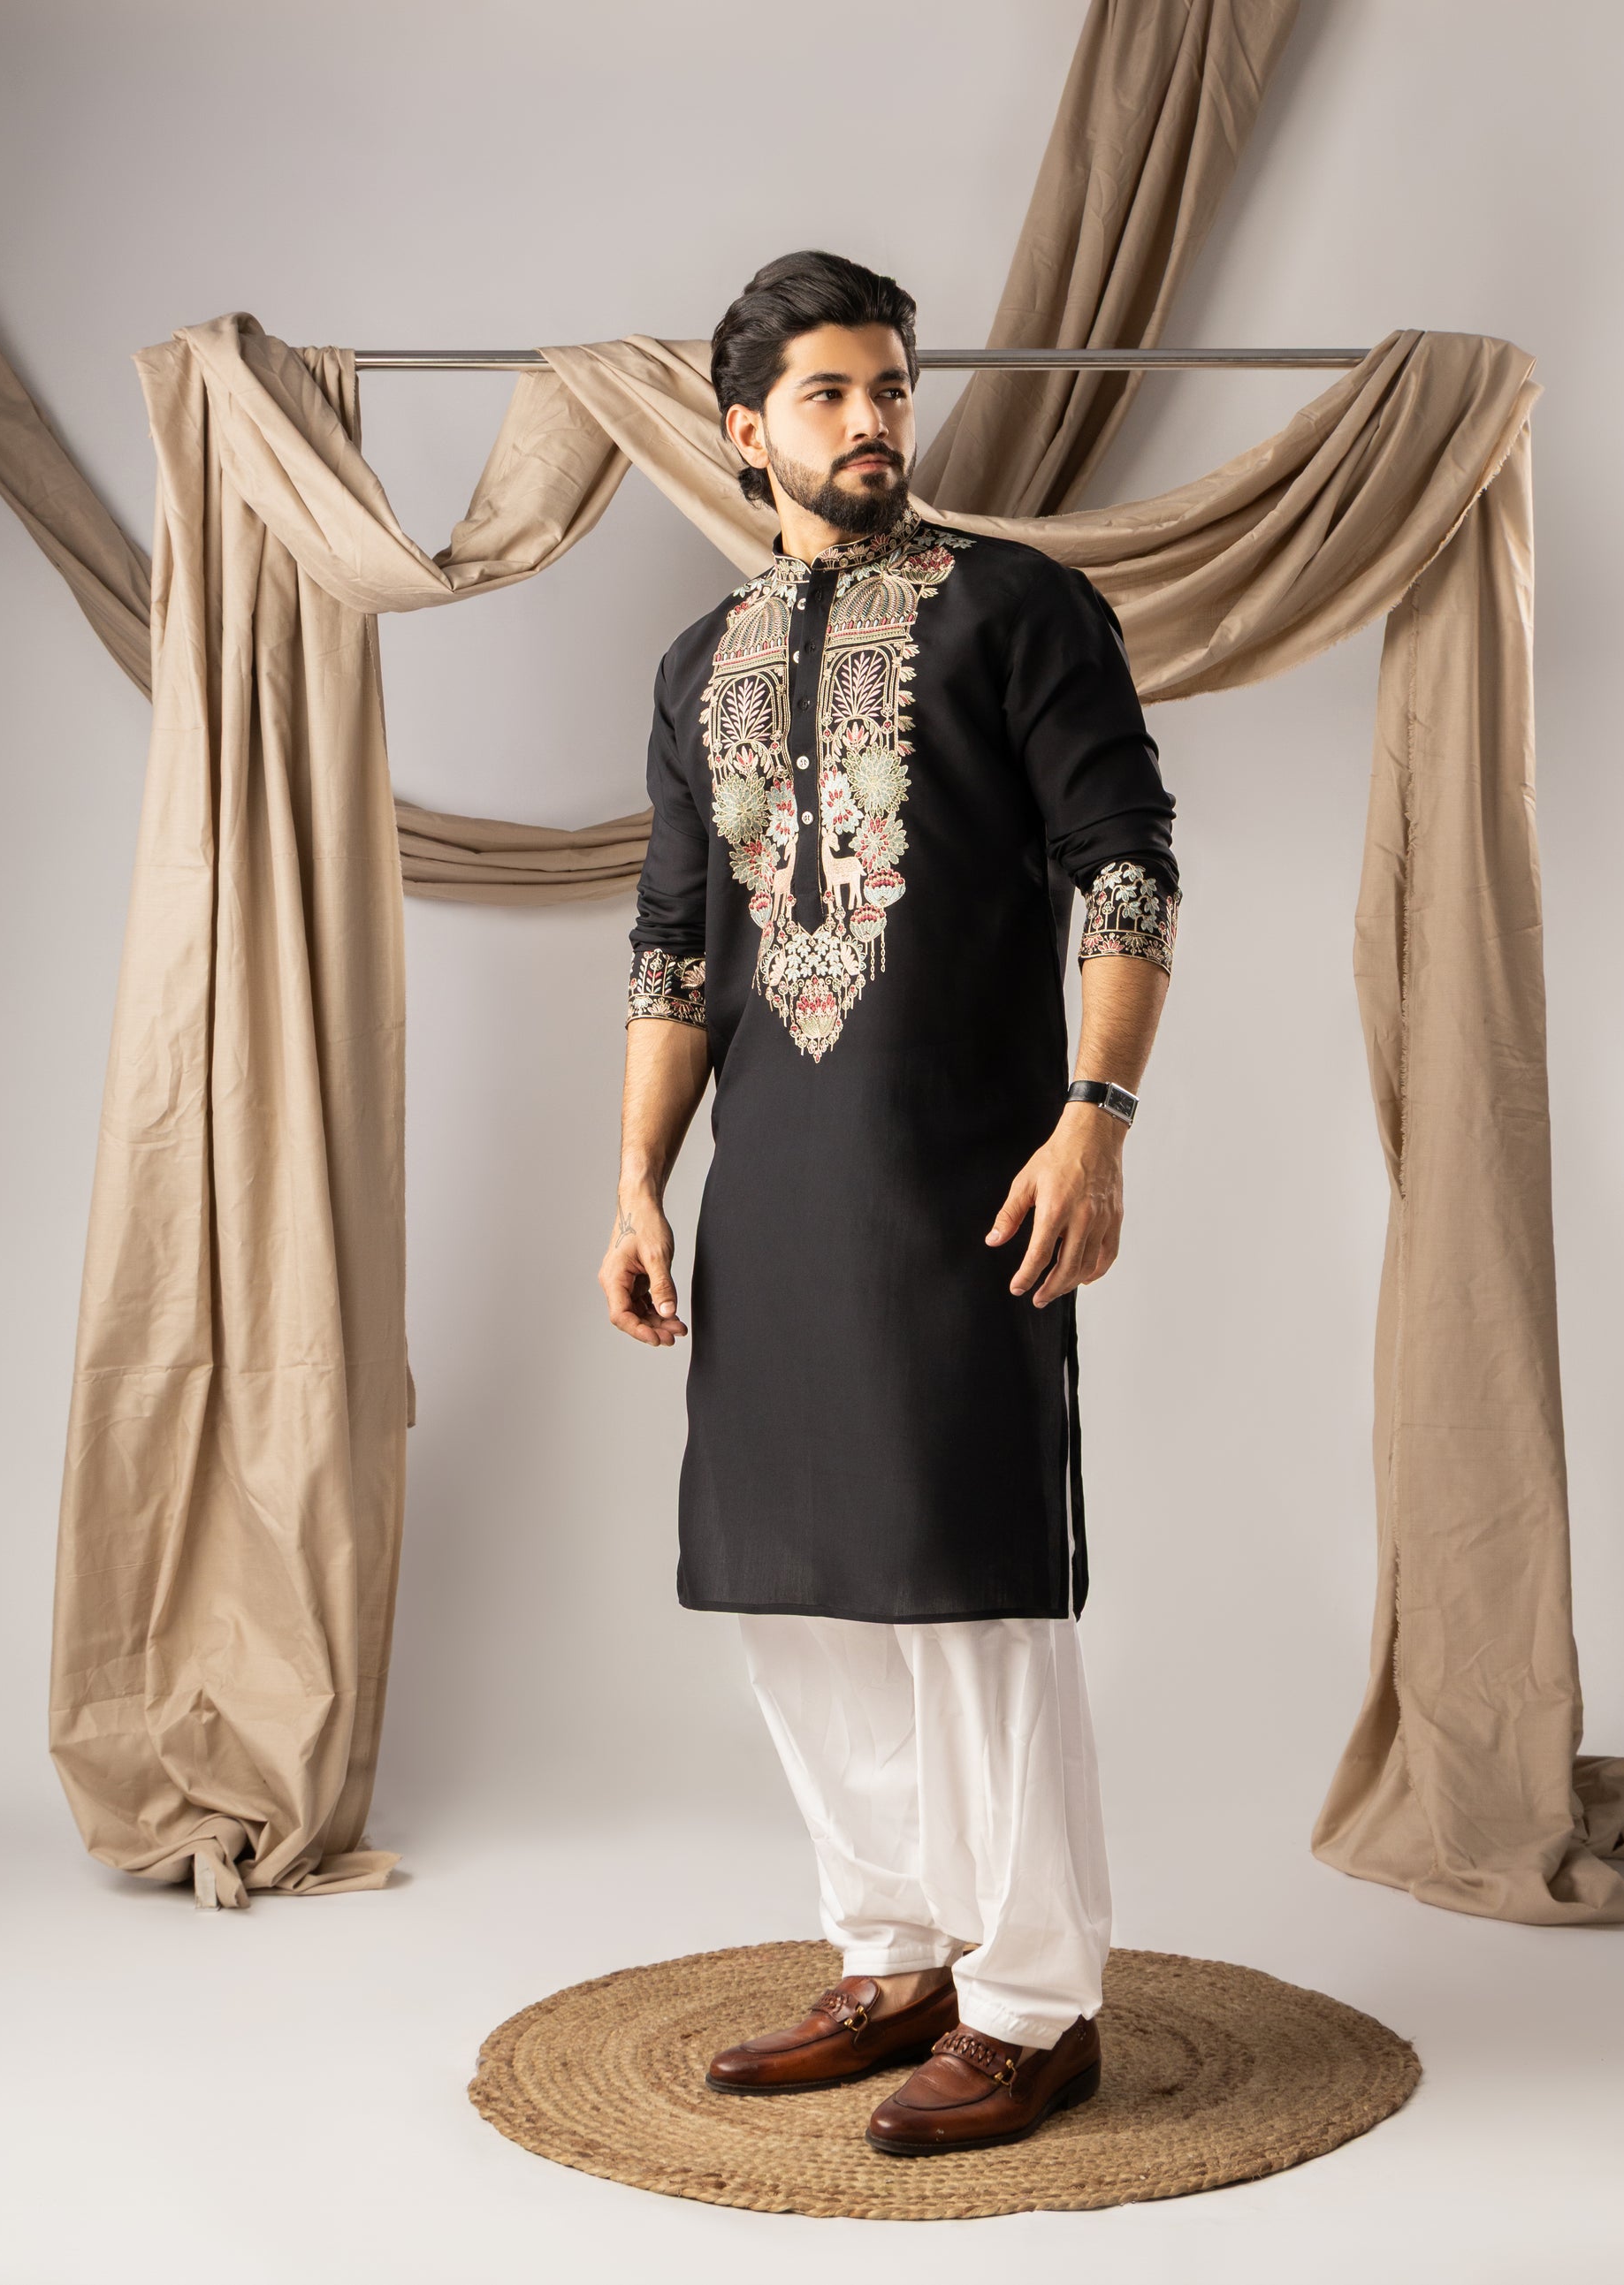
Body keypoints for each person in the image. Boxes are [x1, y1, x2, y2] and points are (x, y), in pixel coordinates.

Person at [599, 249, 1179, 2158]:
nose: (872, 423)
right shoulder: (697, 664)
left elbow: (1125, 864)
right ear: (746, 429)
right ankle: (894, 1954)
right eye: (830, 394)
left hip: (966, 1179)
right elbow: (672, 948)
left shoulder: (1018, 605)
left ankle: (1030, 2004)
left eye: (891, 388)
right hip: (767, 1185)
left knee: (968, 1584)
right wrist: (636, 1183)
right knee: (799, 1585)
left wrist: (1096, 1116)